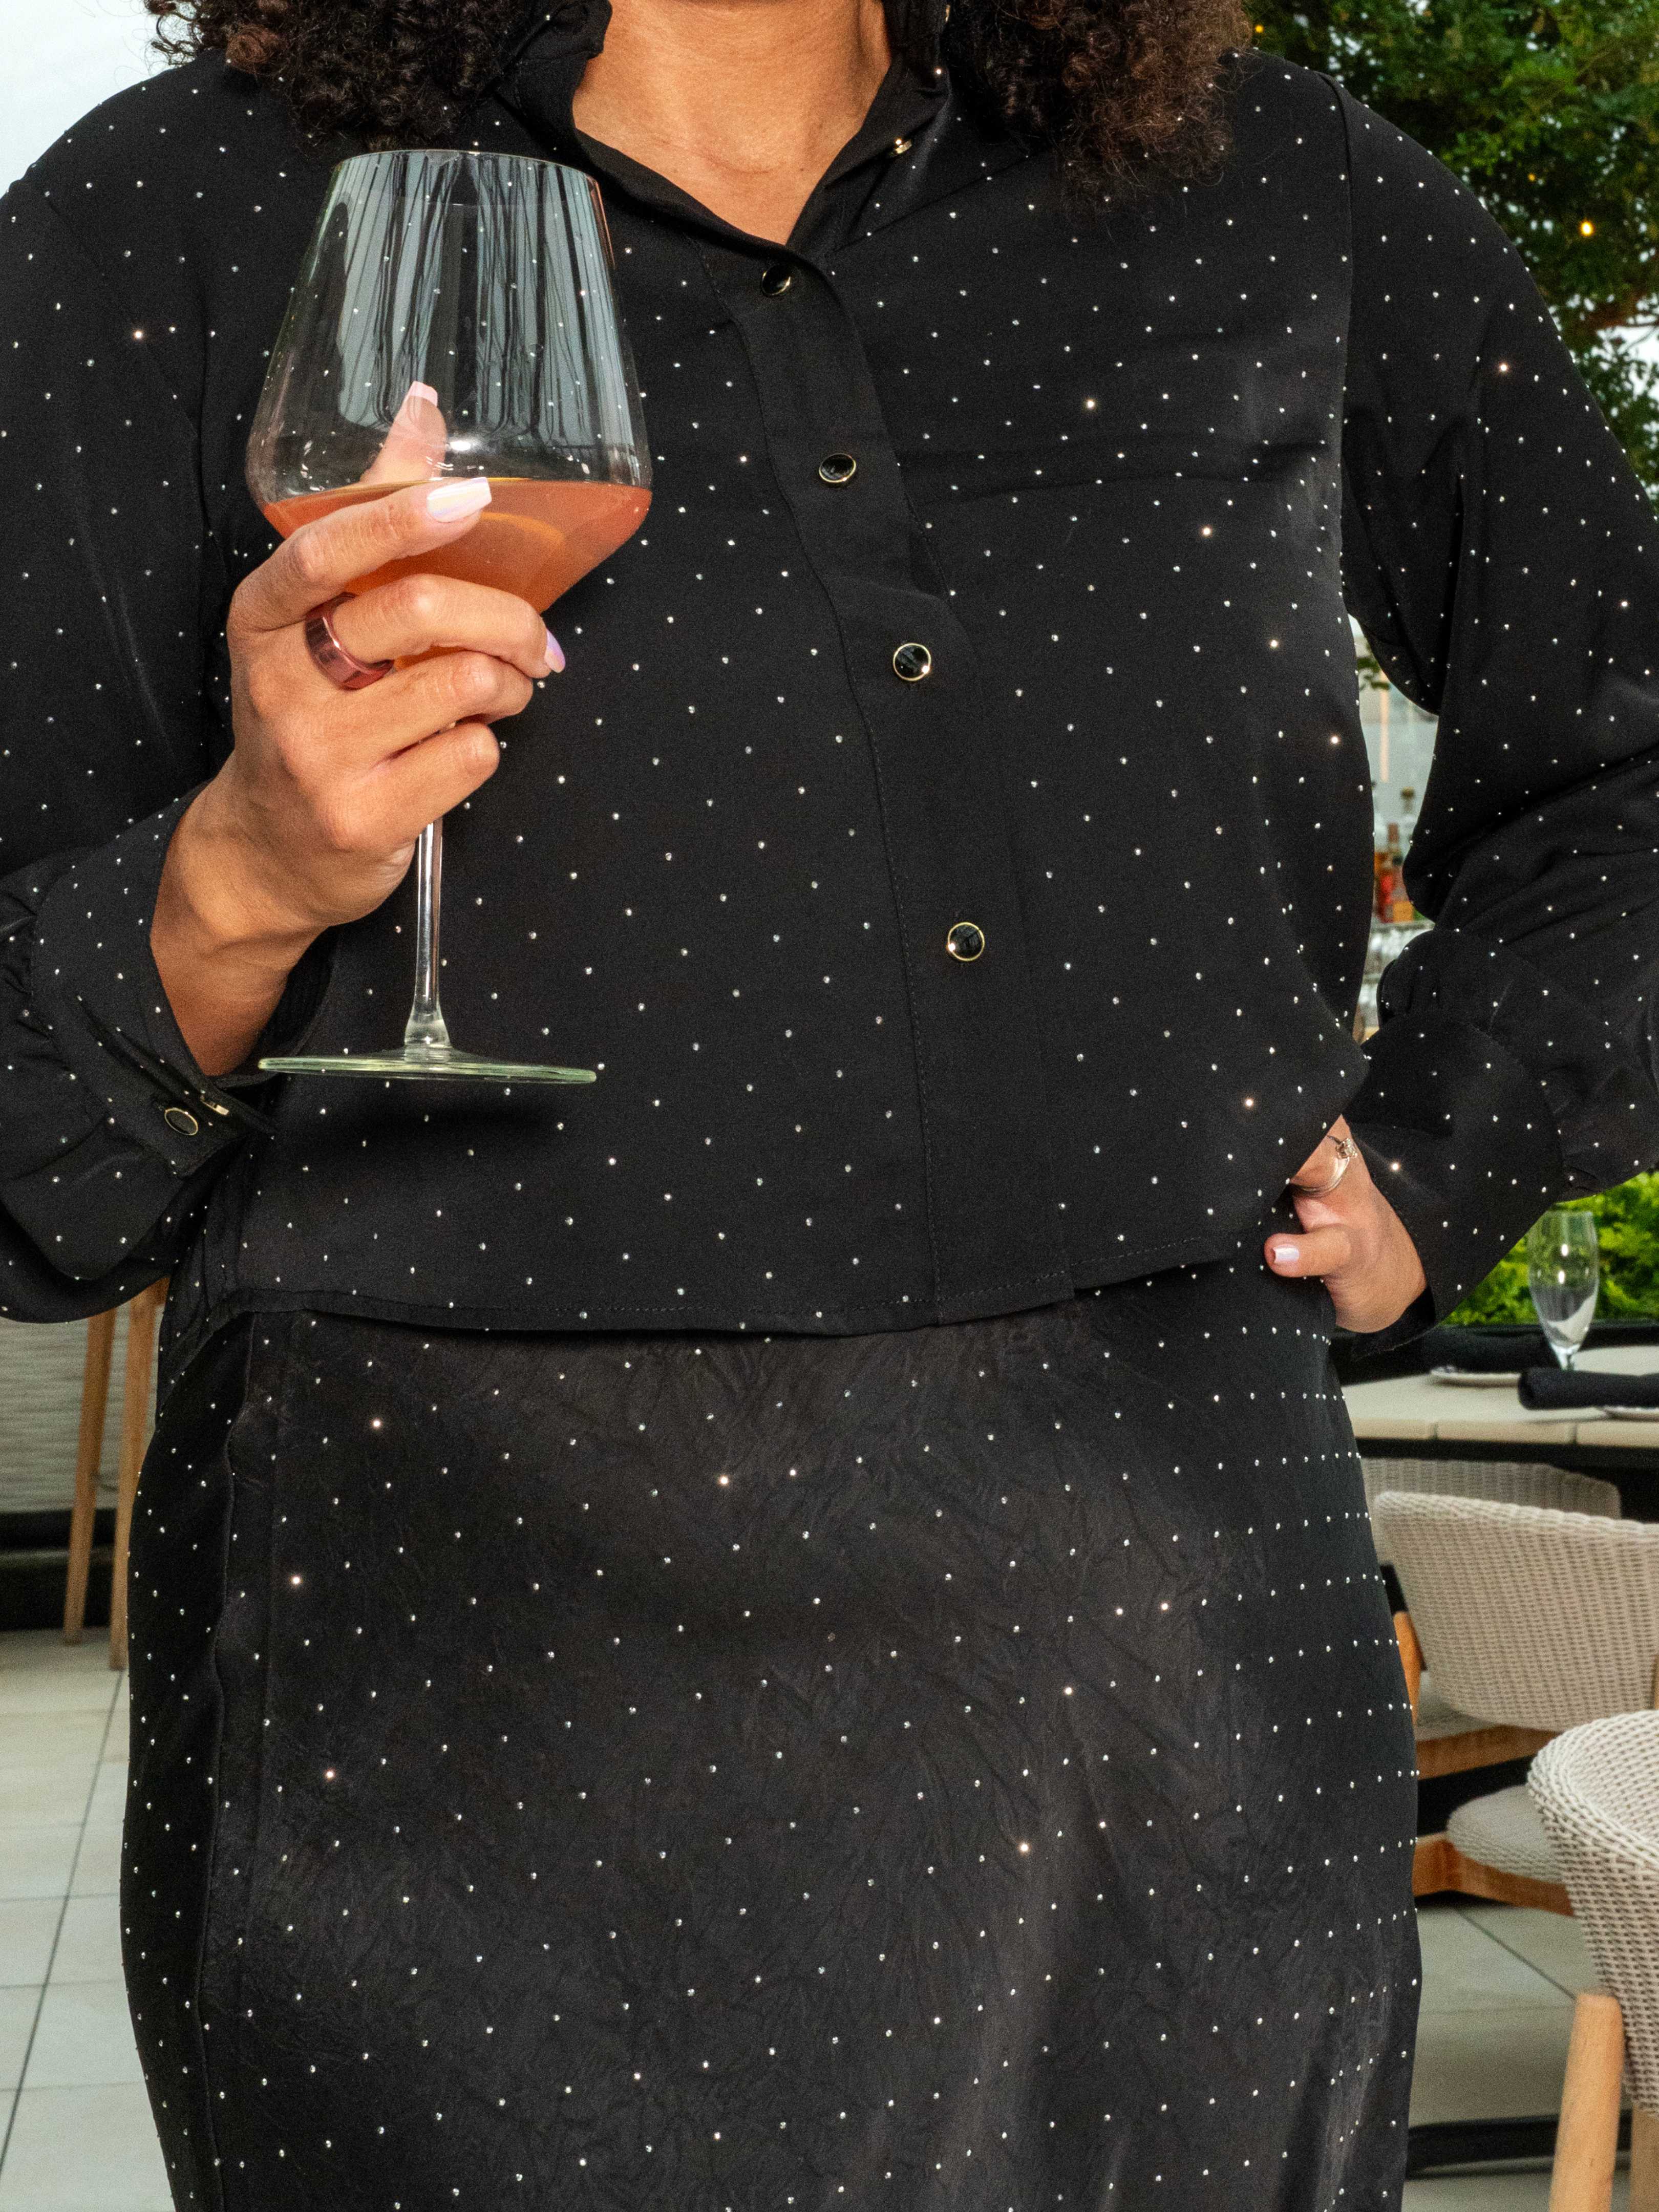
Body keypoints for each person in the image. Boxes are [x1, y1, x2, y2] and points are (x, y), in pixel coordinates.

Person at [3, 0, 1655, 2201]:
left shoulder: (1284, 190)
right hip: (466, 1682)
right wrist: (237, 878)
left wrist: (1447, 1151)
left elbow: (1629, 765)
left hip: (1172, 1670)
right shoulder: (170, 215)